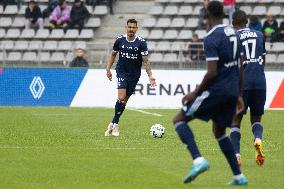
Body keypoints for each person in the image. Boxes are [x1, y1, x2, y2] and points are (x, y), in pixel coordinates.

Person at [173, 1, 248, 186]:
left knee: (179, 119)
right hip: (231, 91)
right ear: (223, 13)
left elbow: (212, 72)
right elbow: (240, 66)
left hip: (217, 90)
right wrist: (238, 94)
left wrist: (194, 93)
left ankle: (198, 161)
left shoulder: (211, 37)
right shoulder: (234, 33)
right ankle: (239, 176)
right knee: (219, 131)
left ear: (206, 15)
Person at [105, 18, 156, 137]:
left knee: (124, 102)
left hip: (134, 75)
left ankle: (112, 123)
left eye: (133, 27)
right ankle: (116, 125)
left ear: (137, 28)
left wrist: (150, 76)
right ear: (126, 27)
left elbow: (146, 61)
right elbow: (113, 54)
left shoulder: (141, 43)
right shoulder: (119, 40)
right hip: (121, 72)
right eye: (130, 27)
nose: (131, 29)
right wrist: (108, 69)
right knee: (121, 97)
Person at [231, 10, 266, 167]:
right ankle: (257, 139)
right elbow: (262, 59)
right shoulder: (259, 34)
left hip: (242, 83)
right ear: (247, 21)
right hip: (259, 81)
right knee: (256, 117)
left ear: (233, 23)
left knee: (236, 118)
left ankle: (237, 155)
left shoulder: (234, 37)